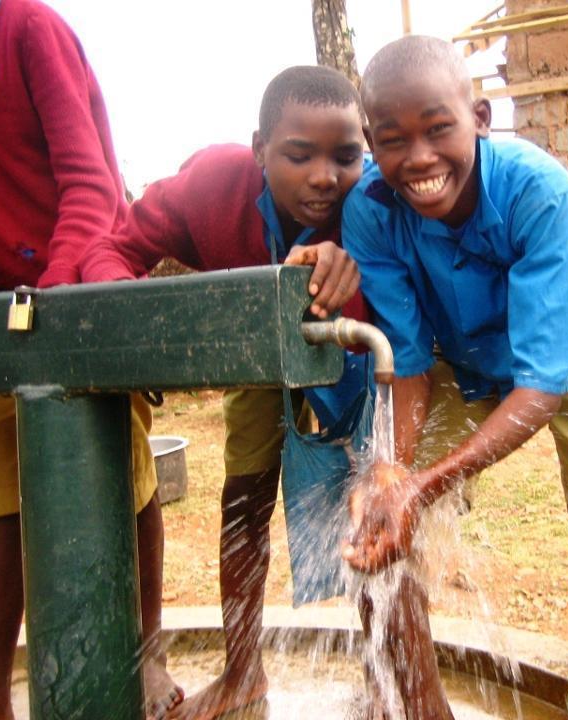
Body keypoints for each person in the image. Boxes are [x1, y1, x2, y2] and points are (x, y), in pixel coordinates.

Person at [340, 35, 568, 720]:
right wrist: (394, 474)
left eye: (438, 129)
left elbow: (544, 385)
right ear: (371, 142)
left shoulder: (538, 191)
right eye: (392, 140)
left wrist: (424, 484)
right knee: (378, 512)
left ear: (480, 118)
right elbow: (408, 363)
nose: (418, 158)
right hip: (465, 352)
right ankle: (422, 709)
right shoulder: (370, 209)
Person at [80, 65, 368, 720]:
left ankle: (390, 680)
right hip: (257, 344)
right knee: (243, 501)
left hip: (350, 351)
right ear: (260, 148)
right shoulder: (212, 184)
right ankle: (243, 674)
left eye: (345, 157)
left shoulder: (373, 204)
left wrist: (346, 276)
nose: (324, 177)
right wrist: (134, 327)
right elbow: (114, 247)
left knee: (374, 508)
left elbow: (397, 301)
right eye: (300, 155)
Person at [0, 1, 176, 718]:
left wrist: (58, 292)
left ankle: (148, 655)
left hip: (85, 288)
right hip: (17, 312)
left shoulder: (28, 28)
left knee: (127, 476)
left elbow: (90, 179)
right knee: (9, 501)